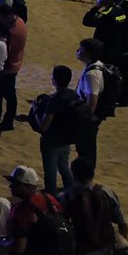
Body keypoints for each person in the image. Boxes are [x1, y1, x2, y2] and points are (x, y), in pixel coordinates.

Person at [81, 0, 128, 107]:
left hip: (119, 41)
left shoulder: (125, 3)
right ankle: (121, 97)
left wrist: (98, 7)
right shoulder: (118, 5)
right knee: (119, 68)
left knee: (116, 69)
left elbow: (87, 21)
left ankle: (116, 98)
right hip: (118, 40)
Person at [31, 66, 86, 194]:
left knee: (50, 172)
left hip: (52, 141)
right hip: (66, 138)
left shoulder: (54, 100)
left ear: (54, 80)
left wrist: (35, 109)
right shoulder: (73, 95)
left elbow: (43, 126)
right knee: (64, 167)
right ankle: (71, 191)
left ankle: (51, 196)